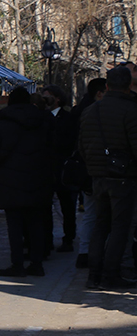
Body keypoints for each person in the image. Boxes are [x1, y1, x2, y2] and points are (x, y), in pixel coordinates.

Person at [0, 87, 54, 277]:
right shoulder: (43, 122)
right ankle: (37, 263)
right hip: (38, 179)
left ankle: (17, 264)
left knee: (14, 224)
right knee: (37, 223)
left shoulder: (2, 126)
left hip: (9, 181)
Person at [78, 66, 137, 290]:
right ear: (128, 85)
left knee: (101, 225)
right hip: (123, 176)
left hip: (98, 175)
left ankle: (94, 273)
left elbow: (82, 145)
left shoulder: (91, 110)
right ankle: (111, 274)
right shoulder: (130, 110)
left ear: (106, 86)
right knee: (120, 227)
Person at [71, 78, 106, 269]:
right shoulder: (97, 112)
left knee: (90, 214)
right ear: (99, 94)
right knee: (100, 214)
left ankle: (84, 252)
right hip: (99, 171)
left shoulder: (81, 111)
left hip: (88, 170)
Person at [40, 85, 78, 254]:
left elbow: (70, 141)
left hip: (62, 168)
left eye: (47, 97)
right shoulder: (41, 118)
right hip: (46, 168)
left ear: (57, 99)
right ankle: (47, 240)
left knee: (67, 206)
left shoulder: (67, 118)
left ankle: (68, 238)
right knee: (45, 206)